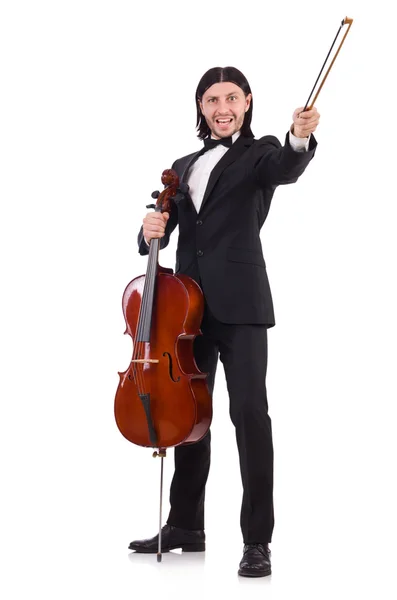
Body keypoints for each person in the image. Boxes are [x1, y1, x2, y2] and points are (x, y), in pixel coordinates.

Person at [128, 66, 320, 577]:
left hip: (241, 305)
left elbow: (286, 166)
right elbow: (162, 233)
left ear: (247, 102)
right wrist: (148, 229)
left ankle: (258, 539)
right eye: (211, 99)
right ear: (201, 107)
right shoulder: (182, 164)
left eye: (230, 97)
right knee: (192, 419)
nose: (221, 107)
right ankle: (186, 525)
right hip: (185, 307)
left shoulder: (260, 155)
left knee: (250, 417)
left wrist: (300, 137)